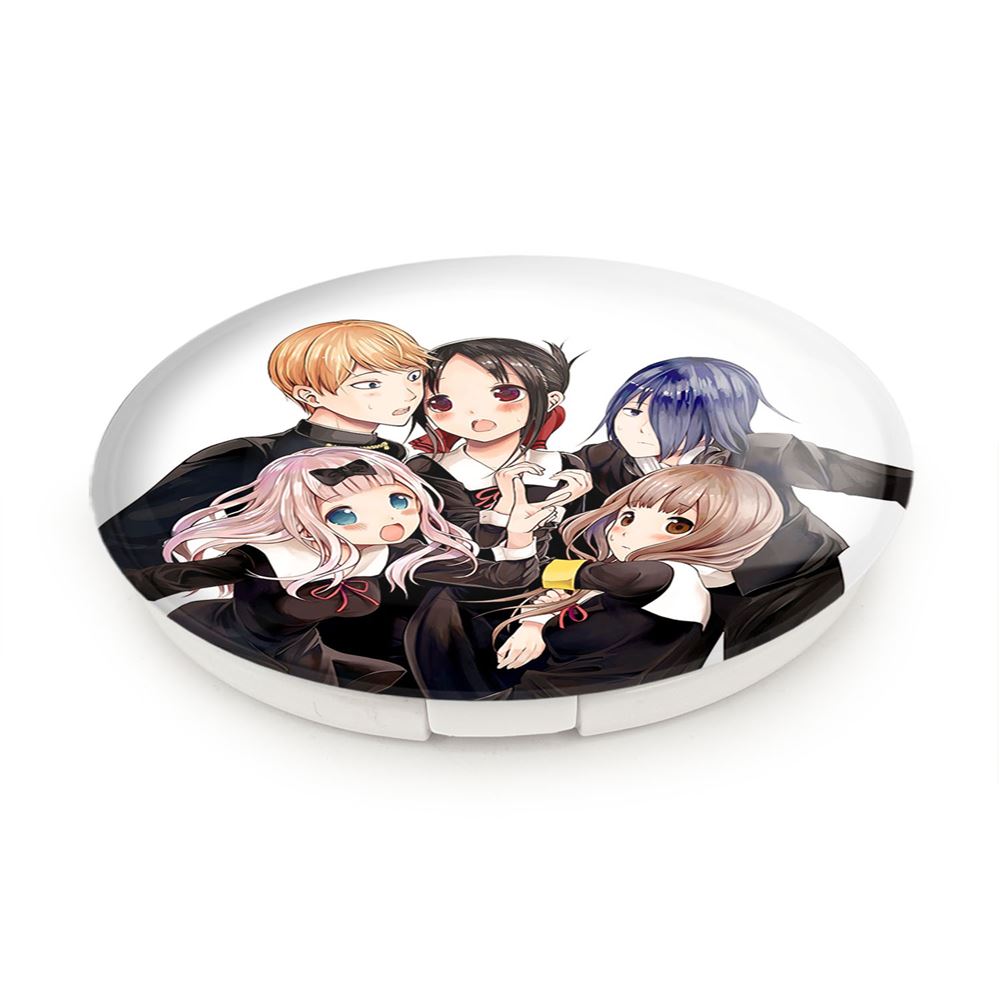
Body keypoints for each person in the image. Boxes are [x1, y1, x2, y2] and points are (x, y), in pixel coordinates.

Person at [125, 449, 551, 693]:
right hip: (225, 642)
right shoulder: (274, 555)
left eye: (399, 501)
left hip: (299, 655)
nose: (389, 520)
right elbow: (164, 581)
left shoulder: (397, 553)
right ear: (302, 517)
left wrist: (518, 534)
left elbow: (505, 579)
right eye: (345, 514)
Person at [575, 357, 913, 656]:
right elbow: (570, 509)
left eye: (664, 417)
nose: (635, 428)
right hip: (680, 583)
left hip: (785, 578)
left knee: (762, 654)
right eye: (632, 411)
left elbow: (873, 479)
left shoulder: (766, 453)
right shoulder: (602, 459)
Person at [100, 320, 432, 572]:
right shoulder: (249, 454)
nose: (406, 394)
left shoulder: (397, 455)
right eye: (371, 384)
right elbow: (126, 537)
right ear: (309, 395)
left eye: (413, 377)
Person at [480, 465, 784, 697]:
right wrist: (535, 623)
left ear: (729, 537)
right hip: (556, 688)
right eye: (627, 517)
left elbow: (551, 573)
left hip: (575, 695)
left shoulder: (663, 575)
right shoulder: (660, 579)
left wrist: (520, 536)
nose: (627, 531)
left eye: (677, 525)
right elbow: (567, 589)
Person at [407, 338, 592, 560]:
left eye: (505, 393)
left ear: (550, 401)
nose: (475, 411)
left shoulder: (563, 465)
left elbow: (569, 545)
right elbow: (463, 543)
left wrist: (560, 504)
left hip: (550, 575)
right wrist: (505, 505)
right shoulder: (428, 469)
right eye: (442, 403)